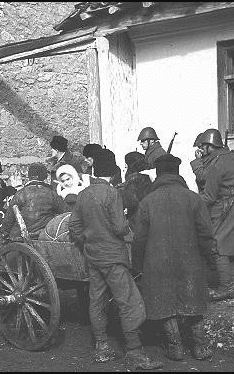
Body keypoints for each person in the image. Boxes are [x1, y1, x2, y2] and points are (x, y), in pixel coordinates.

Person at [68, 153, 162, 370]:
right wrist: (127, 225)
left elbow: (74, 227)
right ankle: (135, 353)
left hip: (93, 257)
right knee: (129, 301)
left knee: (97, 300)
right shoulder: (112, 194)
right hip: (113, 257)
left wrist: (87, 242)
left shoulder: (83, 195)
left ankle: (101, 347)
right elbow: (119, 228)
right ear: (112, 173)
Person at [133, 155, 217, 362]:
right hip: (191, 261)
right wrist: (211, 260)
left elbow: (139, 239)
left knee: (164, 303)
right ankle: (200, 346)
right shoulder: (193, 198)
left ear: (158, 174)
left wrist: (137, 265)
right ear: (177, 173)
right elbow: (206, 234)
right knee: (193, 298)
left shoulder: (147, 202)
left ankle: (175, 347)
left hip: (157, 263)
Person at [194, 129, 234, 301]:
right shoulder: (232, 157)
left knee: (217, 244)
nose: (200, 149)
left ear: (209, 146)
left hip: (228, 206)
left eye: (202, 146)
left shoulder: (218, 164)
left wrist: (190, 203)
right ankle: (229, 282)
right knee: (229, 244)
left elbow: (208, 196)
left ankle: (227, 286)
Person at [0, 163, 68, 241]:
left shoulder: (20, 194)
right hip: (43, 237)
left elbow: (9, 219)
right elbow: (65, 214)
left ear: (29, 177)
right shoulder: (52, 194)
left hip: (20, 238)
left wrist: (3, 233)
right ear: (45, 177)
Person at [120, 151, 154, 221]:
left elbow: (130, 201)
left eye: (126, 164)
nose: (125, 166)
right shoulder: (149, 175)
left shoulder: (134, 180)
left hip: (137, 219)